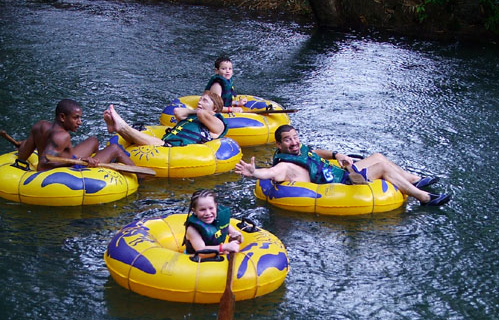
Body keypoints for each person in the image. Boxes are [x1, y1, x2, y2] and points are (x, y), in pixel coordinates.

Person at [235, 124, 451, 206]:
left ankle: (413, 180)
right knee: (382, 168)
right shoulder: (285, 166)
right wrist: (254, 173)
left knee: (378, 156)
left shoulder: (299, 149)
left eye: (295, 137)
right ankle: (423, 197)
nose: (294, 142)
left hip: (340, 172)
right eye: (288, 140)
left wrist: (336, 154)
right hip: (343, 184)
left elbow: (314, 152)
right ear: (279, 144)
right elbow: (271, 173)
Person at [17, 99, 134, 171]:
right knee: (115, 148)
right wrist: (79, 160)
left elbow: (22, 156)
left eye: (80, 118)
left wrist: (24, 145)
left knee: (93, 140)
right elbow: (42, 167)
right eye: (76, 118)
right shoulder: (62, 136)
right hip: (70, 169)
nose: (80, 122)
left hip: (68, 159)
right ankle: (140, 177)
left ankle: (98, 163)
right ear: (62, 117)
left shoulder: (40, 125)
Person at [103, 92, 227, 147]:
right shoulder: (193, 116)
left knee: (151, 141)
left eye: (204, 101)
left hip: (177, 148)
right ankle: (116, 128)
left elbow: (201, 113)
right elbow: (177, 111)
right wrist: (196, 110)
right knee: (139, 140)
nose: (199, 102)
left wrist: (200, 111)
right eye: (200, 100)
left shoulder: (219, 124)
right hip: (167, 143)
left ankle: (122, 126)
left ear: (214, 108)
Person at [183, 189, 243, 254]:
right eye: (202, 209)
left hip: (217, 254)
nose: (208, 213)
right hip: (196, 258)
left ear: (216, 207)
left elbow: (235, 234)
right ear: (194, 211)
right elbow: (200, 250)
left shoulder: (220, 221)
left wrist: (237, 236)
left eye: (211, 208)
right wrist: (224, 247)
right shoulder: (192, 229)